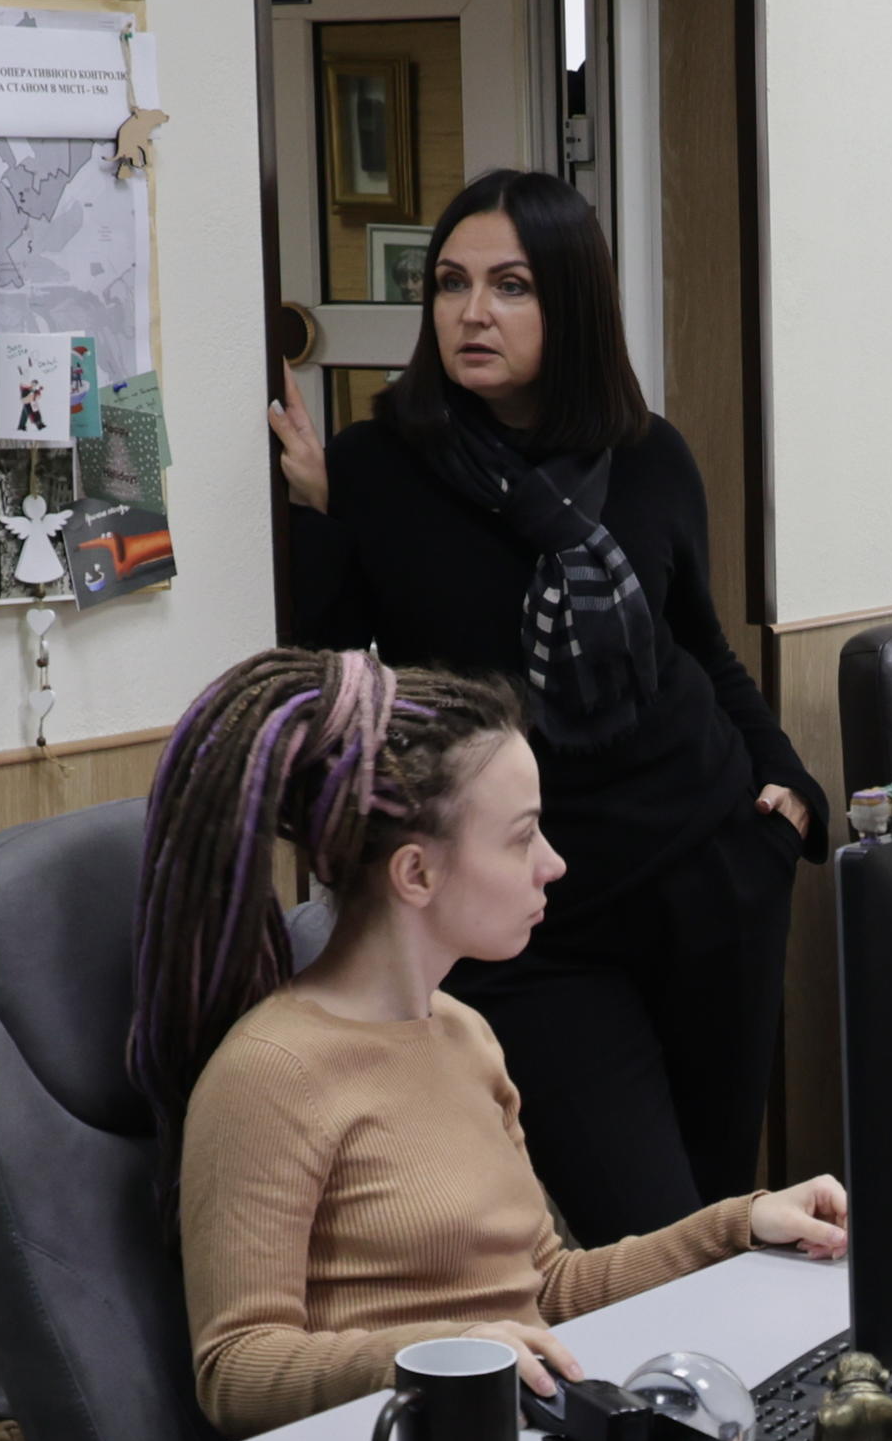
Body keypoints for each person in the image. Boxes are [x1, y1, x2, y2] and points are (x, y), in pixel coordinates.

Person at [271, 171, 821, 1242]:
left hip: (711, 876)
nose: (471, 312)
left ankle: (718, 1414)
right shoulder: (375, 470)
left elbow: (696, 643)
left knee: (722, 1213)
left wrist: (788, 796)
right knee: (649, 1231)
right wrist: (317, 524)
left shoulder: (648, 455)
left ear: (569, 302)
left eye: (510, 286)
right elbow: (335, 688)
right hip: (533, 923)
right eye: (450, 284)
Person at [144, 646, 848, 1437]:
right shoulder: (267, 1075)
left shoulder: (464, 1032)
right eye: (521, 838)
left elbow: (545, 1289)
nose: (554, 863)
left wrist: (741, 1225)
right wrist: (440, 1356)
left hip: (515, 1439)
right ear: (416, 873)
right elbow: (235, 1367)